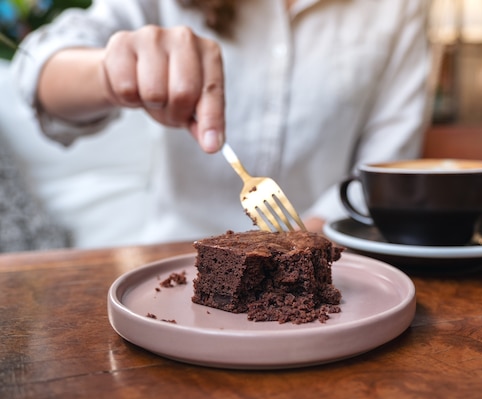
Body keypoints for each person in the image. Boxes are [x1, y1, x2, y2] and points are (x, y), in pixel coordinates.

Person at [11, 0, 431, 247]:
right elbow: (36, 71)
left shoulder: (398, 9)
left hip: (321, 257)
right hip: (169, 263)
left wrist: (297, 246)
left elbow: (383, 171)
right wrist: (111, 72)